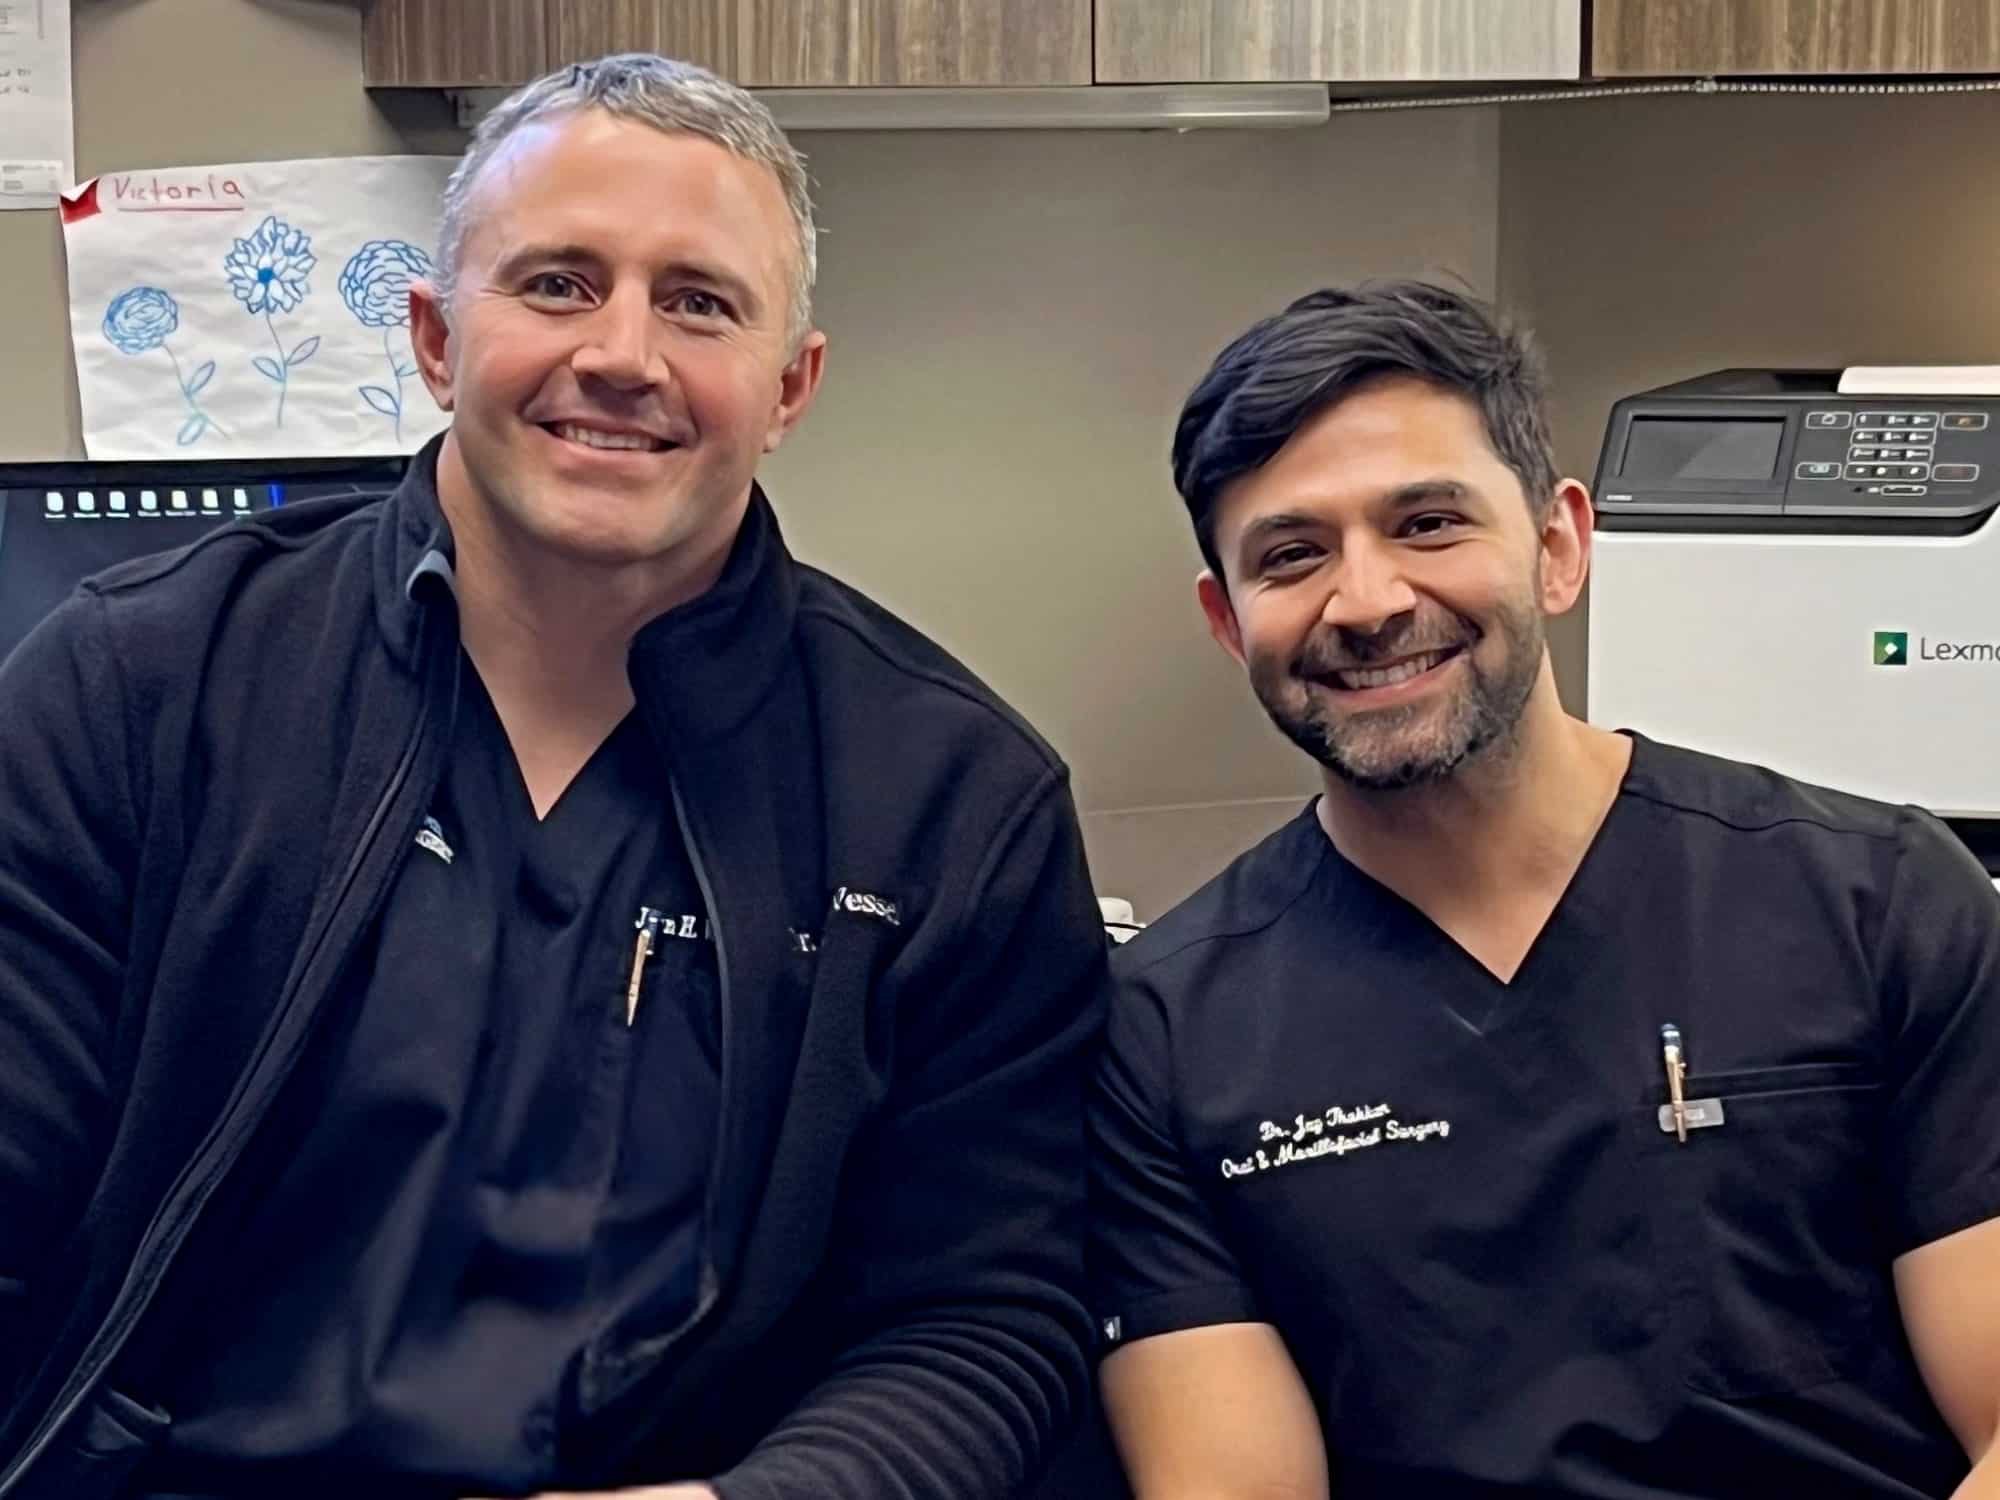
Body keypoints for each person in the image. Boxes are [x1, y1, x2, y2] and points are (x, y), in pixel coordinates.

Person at [0, 54, 1108, 1500]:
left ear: (791, 386)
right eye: (558, 283)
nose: (624, 355)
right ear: (436, 338)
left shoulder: (953, 803)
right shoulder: (144, 690)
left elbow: (978, 1316)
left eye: (699, 301)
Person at [1089, 280, 2000, 1499]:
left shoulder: (1876, 903)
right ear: (1225, 618)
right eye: (1292, 554)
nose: (1365, 603)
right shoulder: (1164, 1033)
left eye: (1426, 524)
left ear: (1559, 546)